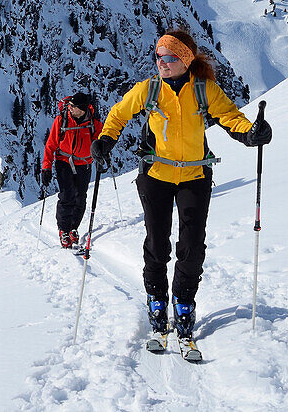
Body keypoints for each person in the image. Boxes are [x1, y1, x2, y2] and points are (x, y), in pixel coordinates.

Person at [90, 30, 271, 341]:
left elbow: (230, 118)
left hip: (195, 176)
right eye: (159, 56)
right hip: (155, 175)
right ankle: (157, 299)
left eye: (171, 57)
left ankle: (184, 301)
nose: (163, 62)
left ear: (186, 61)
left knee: (191, 246)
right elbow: (119, 114)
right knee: (157, 243)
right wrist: (105, 139)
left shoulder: (205, 90)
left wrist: (251, 133)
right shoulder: (148, 89)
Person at [41, 93, 103, 249]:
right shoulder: (62, 120)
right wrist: (46, 167)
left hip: (84, 164)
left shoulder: (94, 124)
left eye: (73, 107)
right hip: (64, 162)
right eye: (70, 105)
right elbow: (51, 144)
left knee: (81, 197)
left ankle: (73, 227)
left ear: (82, 109)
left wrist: (103, 155)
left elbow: (100, 143)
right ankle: (64, 230)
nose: (70, 108)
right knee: (67, 196)